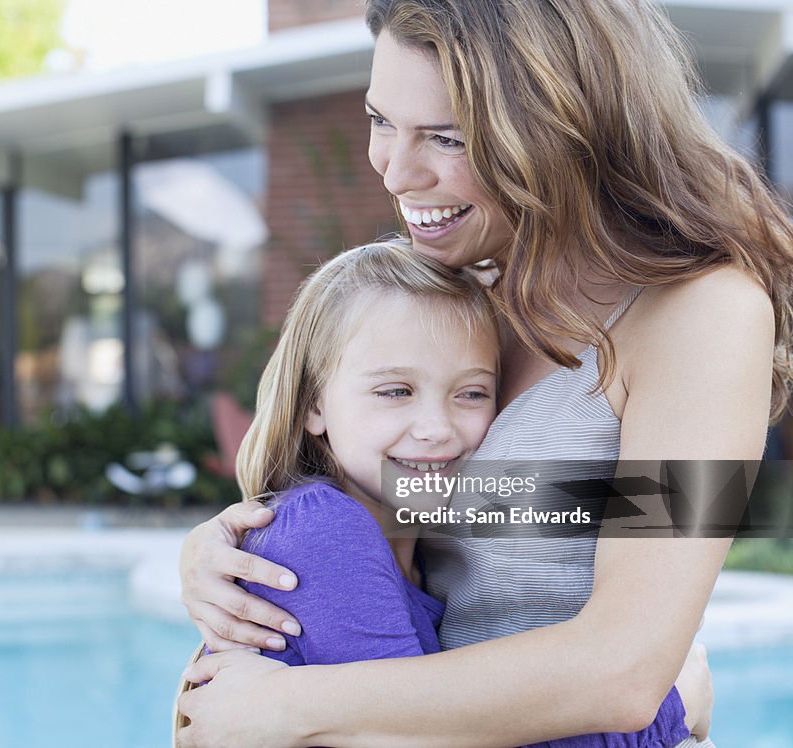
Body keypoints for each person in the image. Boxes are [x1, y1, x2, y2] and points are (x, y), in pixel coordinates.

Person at [176, 0, 793, 745]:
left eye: (447, 136)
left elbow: (625, 672)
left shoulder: (708, 313)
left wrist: (291, 709)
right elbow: (417, 518)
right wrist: (239, 545)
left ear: (565, 127)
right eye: (380, 120)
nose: (396, 171)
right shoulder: (467, 295)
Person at [189, 238, 698, 747]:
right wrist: (677, 695)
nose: (436, 428)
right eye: (395, 391)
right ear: (313, 404)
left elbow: (672, 498)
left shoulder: (424, 533)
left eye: (471, 393)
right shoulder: (326, 528)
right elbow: (421, 734)